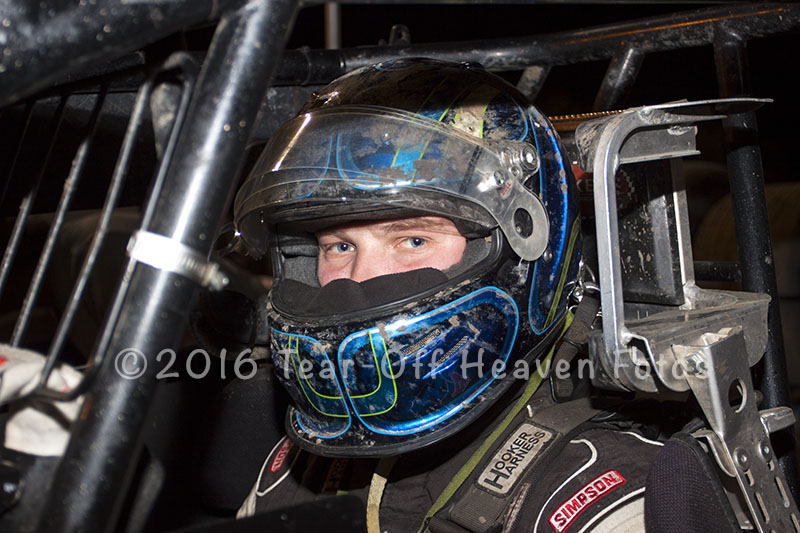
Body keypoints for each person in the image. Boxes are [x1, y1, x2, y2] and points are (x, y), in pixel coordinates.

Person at [232, 58, 741, 532]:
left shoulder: (596, 492)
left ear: (520, 253)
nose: (361, 278)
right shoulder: (298, 466)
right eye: (339, 246)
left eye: (413, 240)